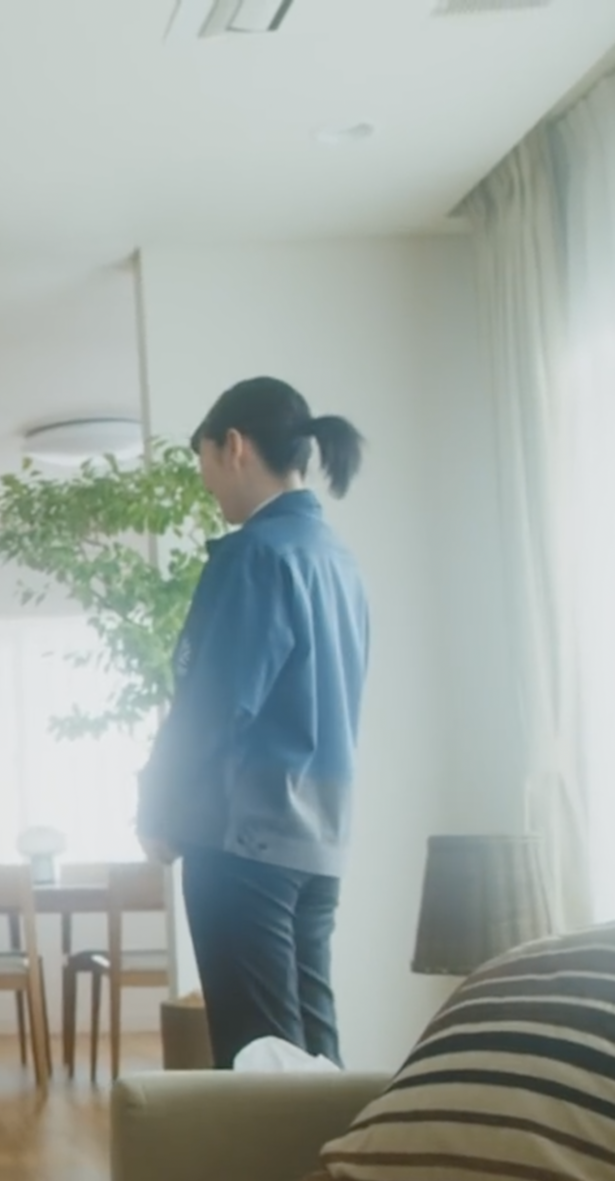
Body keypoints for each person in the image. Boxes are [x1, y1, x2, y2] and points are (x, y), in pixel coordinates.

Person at [137, 377, 370, 1070]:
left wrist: (157, 807)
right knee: (314, 1059)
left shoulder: (254, 555)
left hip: (243, 844)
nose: (209, 486)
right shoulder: (338, 560)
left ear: (233, 446)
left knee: (260, 1064)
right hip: (318, 842)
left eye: (205, 463)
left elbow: (212, 707)